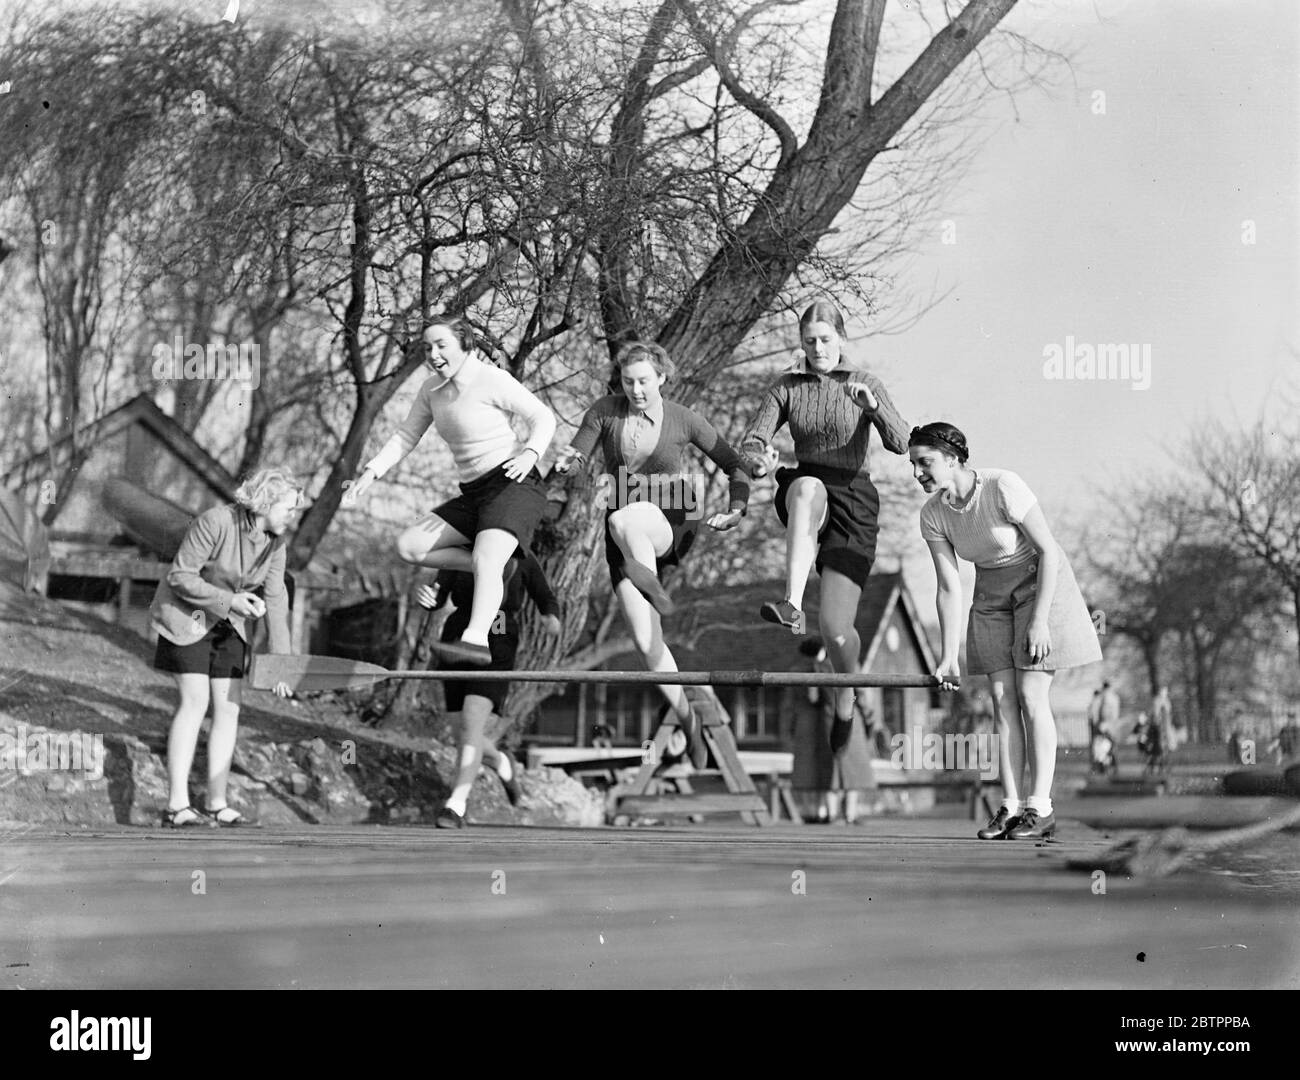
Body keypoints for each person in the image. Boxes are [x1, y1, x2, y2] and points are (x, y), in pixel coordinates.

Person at [554, 341, 751, 768]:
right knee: (646, 642)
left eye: (644, 381)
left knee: (623, 521)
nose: (637, 390)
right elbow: (578, 450)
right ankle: (688, 720)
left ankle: (650, 581)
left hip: (672, 513)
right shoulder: (605, 411)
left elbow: (733, 463)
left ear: (661, 377)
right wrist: (564, 463)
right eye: (628, 382)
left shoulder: (683, 418)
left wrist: (737, 508)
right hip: (626, 535)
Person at [909, 422, 1102, 840]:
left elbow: (1050, 550)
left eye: (925, 463)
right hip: (991, 594)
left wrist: (1038, 620)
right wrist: (946, 656)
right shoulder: (933, 515)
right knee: (1001, 699)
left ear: (954, 459)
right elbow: (947, 586)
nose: (917, 473)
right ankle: (1011, 807)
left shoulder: (1001, 486)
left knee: (1032, 695)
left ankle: (1041, 807)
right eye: (913, 465)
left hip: (1039, 584)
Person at [741, 299, 910, 754]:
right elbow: (753, 441)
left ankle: (846, 692)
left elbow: (901, 443)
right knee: (806, 485)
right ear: (801, 343)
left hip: (854, 498)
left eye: (826, 340)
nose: (818, 348)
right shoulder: (787, 386)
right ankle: (791, 603)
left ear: (842, 340)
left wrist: (873, 408)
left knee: (836, 629)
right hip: (808, 489)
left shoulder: (863, 382)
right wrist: (760, 462)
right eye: (809, 341)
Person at [342, 317, 556, 667]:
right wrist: (370, 471)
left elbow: (543, 417)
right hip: (474, 493)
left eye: (441, 345)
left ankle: (475, 641)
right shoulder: (431, 390)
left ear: (465, 344)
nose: (434, 354)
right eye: (427, 348)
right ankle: (495, 565)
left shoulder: (491, 379)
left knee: (486, 557)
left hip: (514, 483)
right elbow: (406, 435)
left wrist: (531, 453)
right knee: (410, 545)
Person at [150, 468, 300, 827]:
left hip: (228, 624)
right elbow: (180, 576)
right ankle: (177, 806)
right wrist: (230, 600)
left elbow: (276, 598)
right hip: (186, 619)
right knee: (196, 702)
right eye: (290, 509)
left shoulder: (276, 543)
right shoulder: (215, 521)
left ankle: (216, 802)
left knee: (229, 709)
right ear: (266, 502)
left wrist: (282, 665)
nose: (292, 518)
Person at [420, 553, 561, 828]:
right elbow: (437, 596)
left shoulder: (522, 556)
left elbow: (546, 597)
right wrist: (426, 597)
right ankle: (500, 761)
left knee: (471, 721)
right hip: (456, 638)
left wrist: (551, 617)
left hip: (498, 636)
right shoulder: (459, 552)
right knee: (460, 730)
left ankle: (456, 805)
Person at [789, 638, 877, 823]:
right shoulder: (851, 665)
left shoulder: (814, 669)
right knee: (852, 772)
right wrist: (870, 720)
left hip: (827, 720)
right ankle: (850, 815)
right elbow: (862, 697)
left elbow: (812, 698)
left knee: (830, 772)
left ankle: (831, 813)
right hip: (853, 721)